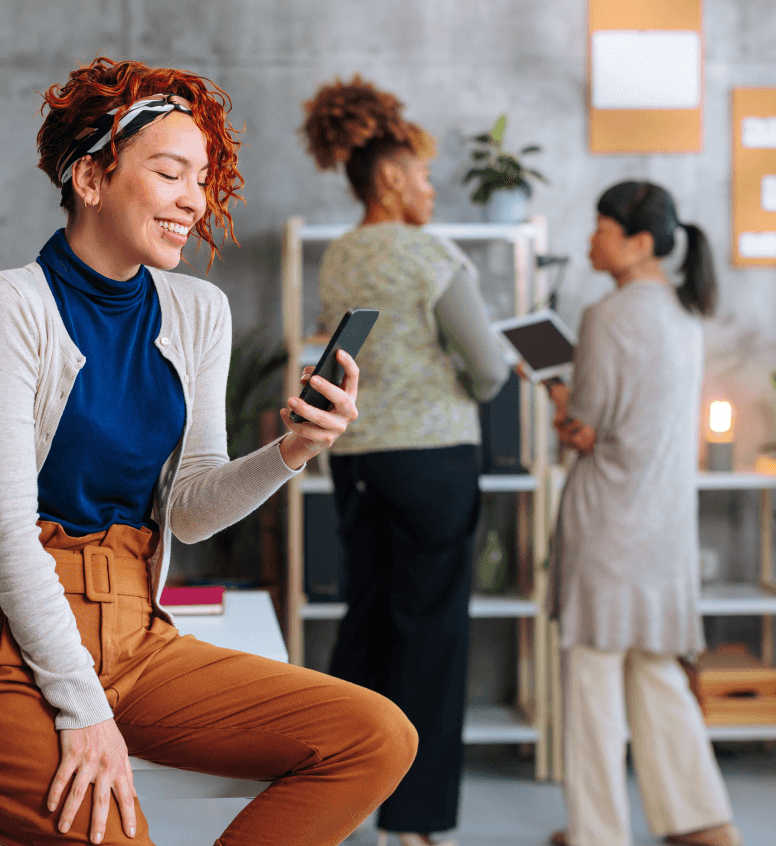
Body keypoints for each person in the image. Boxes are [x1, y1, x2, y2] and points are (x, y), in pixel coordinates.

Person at [0, 57, 418, 846]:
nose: (196, 199)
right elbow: (8, 535)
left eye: (205, 177)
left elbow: (188, 510)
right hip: (2, 655)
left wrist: (291, 450)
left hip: (135, 637)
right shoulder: (10, 306)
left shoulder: (198, 310)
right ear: (91, 177)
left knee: (376, 735)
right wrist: (83, 712)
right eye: (171, 172)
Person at [301, 77, 509, 846]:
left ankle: (344, 805)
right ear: (390, 177)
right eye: (421, 175)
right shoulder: (431, 253)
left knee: (366, 626)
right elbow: (487, 370)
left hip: (355, 463)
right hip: (432, 465)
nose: (428, 188)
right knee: (431, 636)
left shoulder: (338, 257)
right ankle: (415, 826)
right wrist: (473, 374)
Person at [544, 182, 740, 846]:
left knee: (592, 685)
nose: (591, 238)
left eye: (601, 227)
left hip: (608, 523)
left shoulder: (608, 315)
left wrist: (552, 388)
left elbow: (584, 429)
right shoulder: (687, 313)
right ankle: (700, 821)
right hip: (662, 526)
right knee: (656, 672)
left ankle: (597, 834)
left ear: (640, 241)